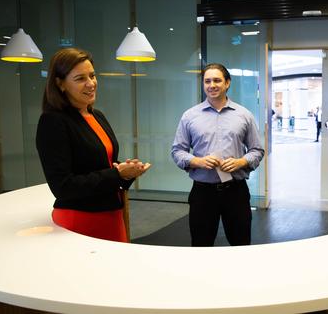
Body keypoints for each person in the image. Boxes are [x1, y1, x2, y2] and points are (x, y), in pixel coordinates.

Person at [36, 48, 151, 242]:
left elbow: (106, 166)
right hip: (80, 221)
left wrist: (127, 172)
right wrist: (117, 174)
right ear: (60, 84)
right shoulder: (53, 122)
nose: (91, 84)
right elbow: (63, 186)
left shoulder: (97, 116)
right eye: (80, 78)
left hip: (112, 215)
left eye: (92, 75)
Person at [171, 63, 264, 246]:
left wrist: (241, 162)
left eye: (217, 80)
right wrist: (196, 161)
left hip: (236, 192)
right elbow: (177, 151)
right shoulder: (190, 116)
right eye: (207, 81)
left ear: (227, 83)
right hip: (203, 192)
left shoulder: (244, 115)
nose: (212, 85)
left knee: (241, 245)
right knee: (201, 245)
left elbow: (257, 150)